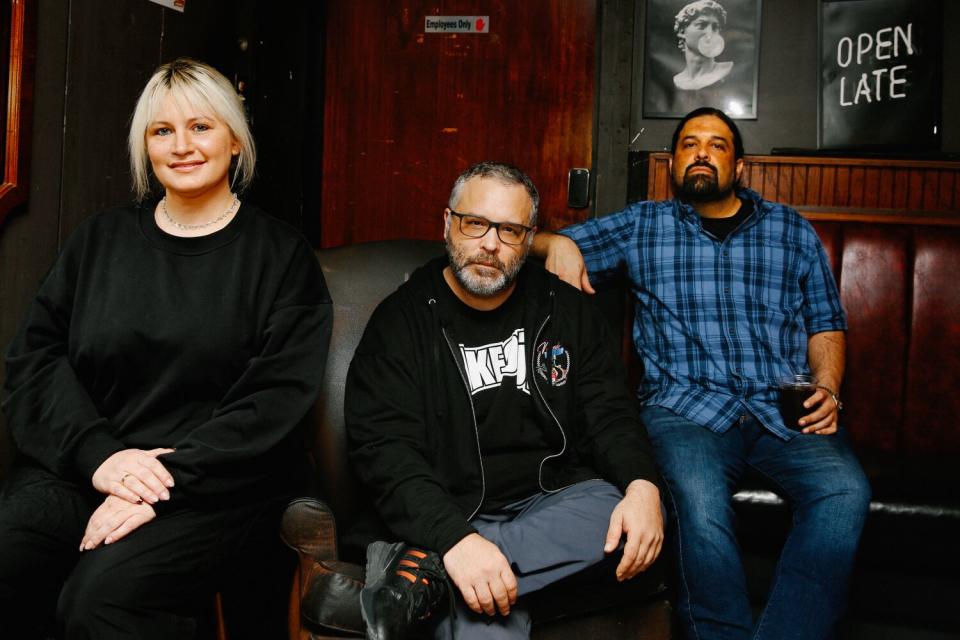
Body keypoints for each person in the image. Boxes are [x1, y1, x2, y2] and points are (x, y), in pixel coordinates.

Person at [0, 58, 332, 639]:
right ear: (144, 146)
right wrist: (101, 458)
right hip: (92, 466)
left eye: (201, 127)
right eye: (162, 131)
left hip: (217, 485)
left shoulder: (280, 257)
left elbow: (274, 401)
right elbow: (35, 361)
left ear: (234, 139)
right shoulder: (99, 241)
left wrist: (164, 480)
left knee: (99, 602)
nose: (182, 146)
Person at [533, 108, 871, 639]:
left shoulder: (791, 230)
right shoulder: (644, 224)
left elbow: (826, 324)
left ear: (738, 166)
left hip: (780, 405)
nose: (702, 153)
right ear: (674, 163)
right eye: (690, 144)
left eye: (716, 145)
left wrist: (828, 386)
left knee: (845, 491)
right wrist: (556, 242)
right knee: (697, 502)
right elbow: (525, 239)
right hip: (683, 408)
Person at [345, 161, 664, 640]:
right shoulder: (400, 322)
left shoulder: (567, 309)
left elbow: (611, 414)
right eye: (475, 224)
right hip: (453, 505)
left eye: (510, 230)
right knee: (486, 615)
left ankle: (427, 574)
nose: (489, 244)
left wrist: (643, 485)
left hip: (553, 500)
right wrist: (456, 536)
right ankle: (459, 562)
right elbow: (385, 451)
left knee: (622, 516)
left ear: (529, 237)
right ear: (448, 223)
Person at [673, 0, 733, 91]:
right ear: (682, 31)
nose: (709, 33)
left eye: (715, 27)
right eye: (701, 25)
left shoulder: (727, 70)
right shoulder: (678, 80)